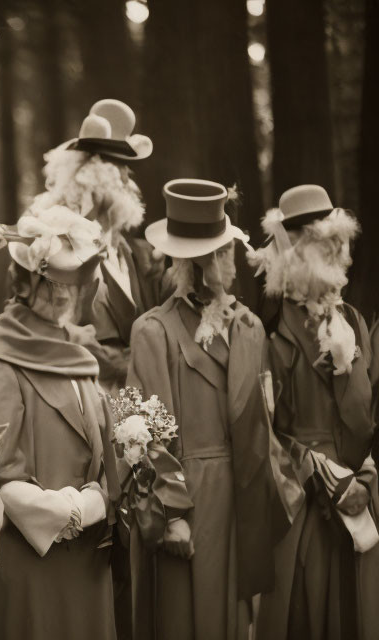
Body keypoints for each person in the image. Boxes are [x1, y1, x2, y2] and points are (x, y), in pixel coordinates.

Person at [127, 179, 278, 639]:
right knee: (184, 622)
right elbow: (144, 435)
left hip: (244, 498)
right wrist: (171, 516)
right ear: (200, 263)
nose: (233, 262)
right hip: (189, 502)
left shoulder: (249, 327)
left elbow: (263, 421)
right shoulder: (153, 331)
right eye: (225, 252)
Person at [0, 202, 119, 639]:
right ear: (24, 280)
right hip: (39, 562)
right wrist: (88, 507)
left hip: (91, 562)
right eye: (49, 280)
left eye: (71, 282)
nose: (61, 293)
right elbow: (2, 473)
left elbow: (102, 449)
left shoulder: (77, 353)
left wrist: (114, 486)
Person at [250, 184, 379, 640]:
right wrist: (323, 475)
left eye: (330, 243)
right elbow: (263, 433)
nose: (327, 253)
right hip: (303, 505)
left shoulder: (354, 321)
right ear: (289, 253)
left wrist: (362, 479)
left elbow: (365, 426)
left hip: (358, 495)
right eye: (312, 244)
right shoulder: (267, 334)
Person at [36, 99, 162, 394]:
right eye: (120, 167)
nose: (128, 179)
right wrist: (121, 364)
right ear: (96, 172)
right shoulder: (60, 245)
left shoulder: (130, 252)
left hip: (135, 398)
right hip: (84, 393)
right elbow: (56, 328)